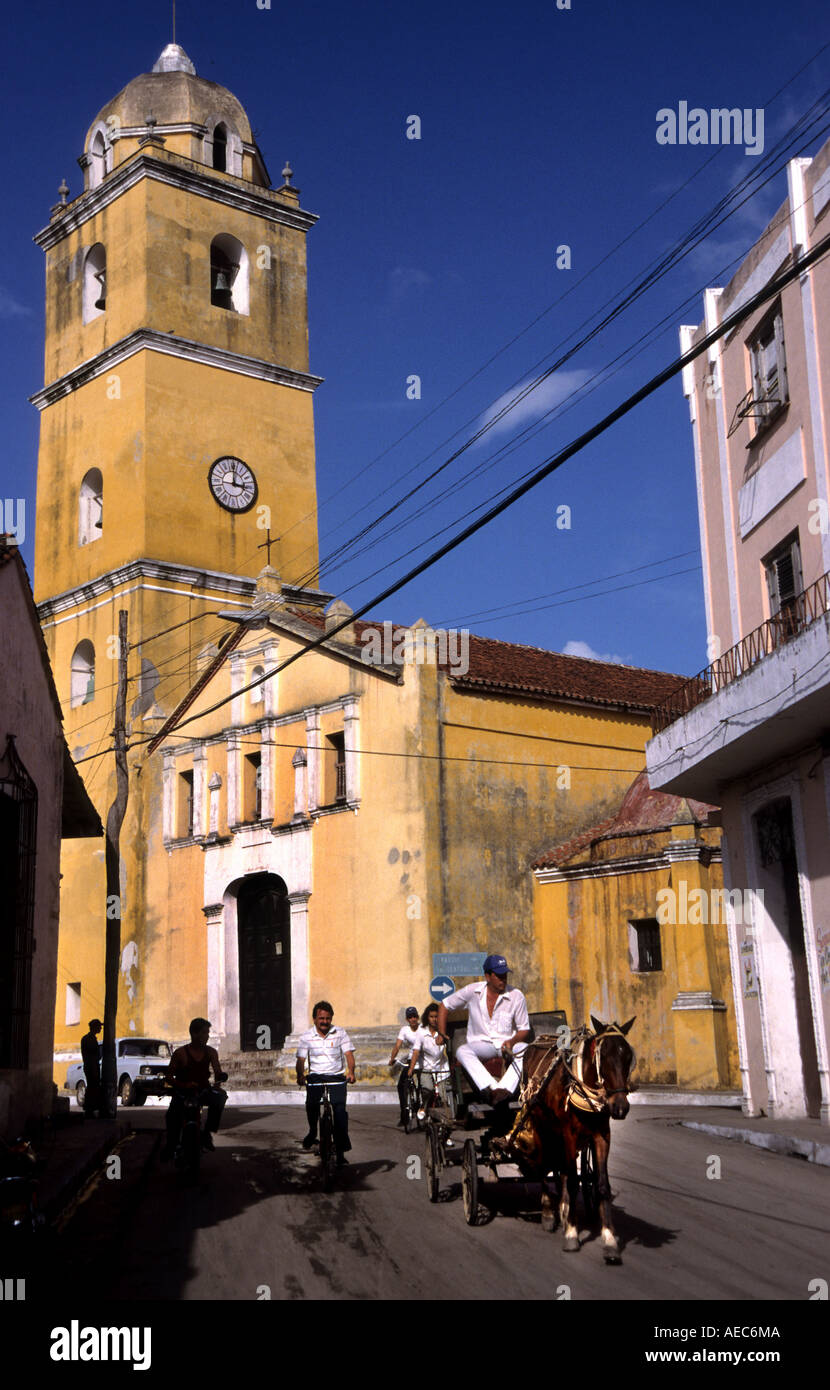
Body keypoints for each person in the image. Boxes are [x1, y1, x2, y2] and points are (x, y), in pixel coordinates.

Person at [436, 954, 530, 1104]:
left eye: (505, 975)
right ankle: (492, 1088)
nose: (503, 979)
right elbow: (445, 1005)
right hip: (480, 1045)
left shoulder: (516, 996)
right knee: (462, 1051)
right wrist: (441, 1032)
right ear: (487, 976)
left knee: (525, 1049)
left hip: (506, 1046)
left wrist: (512, 1041)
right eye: (499, 975)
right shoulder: (473, 991)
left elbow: (524, 1029)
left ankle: (504, 1090)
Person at [296, 1001, 355, 1166]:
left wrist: (351, 1072)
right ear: (314, 1019)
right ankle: (313, 1131)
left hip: (336, 1078)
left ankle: (341, 1150)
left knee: (340, 1112)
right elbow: (300, 1059)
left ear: (331, 1019)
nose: (324, 1022)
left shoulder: (340, 1033)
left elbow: (349, 1055)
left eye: (328, 1018)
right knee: (311, 1105)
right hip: (315, 1078)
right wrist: (300, 1075)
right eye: (321, 1018)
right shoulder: (306, 1036)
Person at [161, 1018, 227, 1160]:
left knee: (221, 1096)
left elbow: (217, 1071)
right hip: (182, 1093)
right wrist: (184, 1085)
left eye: (208, 1033)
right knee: (171, 1116)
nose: (207, 1036)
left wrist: (219, 1079)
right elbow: (168, 1077)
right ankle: (171, 1145)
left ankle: (207, 1133)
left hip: (202, 1091)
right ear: (194, 1033)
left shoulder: (211, 1052)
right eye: (204, 1033)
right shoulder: (180, 1053)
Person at [389, 1006, 422, 1127]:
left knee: (423, 1086)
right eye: (410, 1017)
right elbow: (397, 1045)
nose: (413, 1019)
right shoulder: (404, 1030)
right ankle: (404, 1116)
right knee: (401, 1086)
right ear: (407, 1019)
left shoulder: (423, 1028)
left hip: (423, 1061)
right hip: (410, 1060)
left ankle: (422, 1110)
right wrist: (392, 1059)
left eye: (414, 1016)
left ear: (417, 1017)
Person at [80, 1018, 103, 1117]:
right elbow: (93, 1055)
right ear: (94, 1027)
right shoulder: (89, 1039)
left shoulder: (88, 1038)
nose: (101, 1028)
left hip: (91, 1066)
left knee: (92, 1086)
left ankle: (90, 1108)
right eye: (99, 1026)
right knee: (92, 1086)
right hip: (91, 1066)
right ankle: (89, 1108)